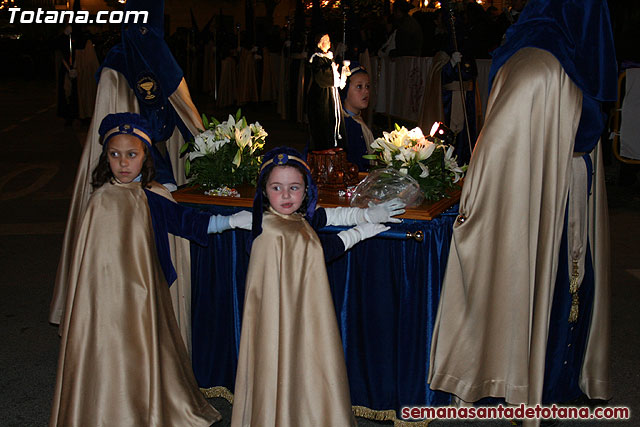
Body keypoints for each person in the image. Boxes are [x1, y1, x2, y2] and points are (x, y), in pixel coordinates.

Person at [428, 1, 617, 426]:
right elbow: (500, 146)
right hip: (547, 190)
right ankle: (537, 387)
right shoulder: (538, 63)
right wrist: (478, 202)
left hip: (567, 186)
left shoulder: (554, 58)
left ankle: (559, 381)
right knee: (544, 281)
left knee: (567, 284)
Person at [49, 113, 252, 427]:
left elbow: (184, 221)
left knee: (144, 349)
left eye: (132, 154)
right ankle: (102, 405)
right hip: (102, 301)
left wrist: (230, 222)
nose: (123, 163)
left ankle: (146, 405)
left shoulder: (150, 197)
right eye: (114, 155)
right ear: (105, 157)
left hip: (144, 295)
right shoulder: (98, 202)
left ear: (145, 157)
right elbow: (86, 262)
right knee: (106, 351)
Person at [49, 0, 204, 353]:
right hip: (129, 180)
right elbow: (116, 140)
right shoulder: (117, 68)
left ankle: (165, 330)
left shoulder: (161, 58)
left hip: (160, 169)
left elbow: (182, 115)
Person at [230, 147, 405, 426]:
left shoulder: (294, 216)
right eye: (277, 188)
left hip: (298, 312)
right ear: (264, 191)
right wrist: (359, 233)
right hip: (278, 318)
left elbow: (329, 216)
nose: (286, 196)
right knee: (285, 362)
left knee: (300, 362)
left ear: (306, 190)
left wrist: (367, 215)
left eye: (294, 188)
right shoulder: (273, 230)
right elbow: (319, 251)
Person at [307, 33, 350, 151]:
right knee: (324, 121)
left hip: (332, 94)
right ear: (320, 43)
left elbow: (335, 77)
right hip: (322, 96)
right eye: (326, 40)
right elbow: (322, 77)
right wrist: (333, 69)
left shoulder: (329, 58)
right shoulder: (317, 59)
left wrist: (342, 71)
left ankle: (336, 145)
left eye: (329, 40)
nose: (329, 43)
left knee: (334, 119)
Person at [340, 63, 374, 171]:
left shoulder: (358, 121)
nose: (366, 91)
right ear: (345, 91)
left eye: (367, 86)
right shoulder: (346, 126)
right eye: (359, 86)